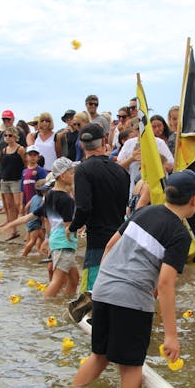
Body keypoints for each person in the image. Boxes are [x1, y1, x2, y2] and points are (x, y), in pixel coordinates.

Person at [72, 170, 195, 388]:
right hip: (131, 299)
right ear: (194, 199)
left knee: (99, 356)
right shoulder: (179, 234)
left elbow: (110, 245)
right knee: (131, 366)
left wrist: (101, 285)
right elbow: (165, 284)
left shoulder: (143, 212)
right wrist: (171, 336)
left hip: (103, 290)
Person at [67, 125, 130, 323]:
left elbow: (84, 208)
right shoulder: (121, 172)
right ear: (103, 142)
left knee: (91, 292)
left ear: (81, 145)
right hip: (119, 237)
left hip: (97, 240)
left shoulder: (83, 170)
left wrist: (73, 227)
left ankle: (94, 327)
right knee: (113, 285)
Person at [38, 157, 80, 298]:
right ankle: (46, 305)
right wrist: (82, 224)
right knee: (58, 280)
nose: (74, 175)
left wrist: (48, 239)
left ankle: (66, 302)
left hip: (56, 240)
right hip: (64, 242)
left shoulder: (50, 194)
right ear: (62, 176)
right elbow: (69, 226)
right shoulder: (66, 199)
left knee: (74, 279)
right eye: (71, 173)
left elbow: (47, 220)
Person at [0, 126, 26, 236]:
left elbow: (25, 163)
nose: (7, 137)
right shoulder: (4, 150)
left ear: (15, 136)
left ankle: (24, 225)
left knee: (18, 205)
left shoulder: (20, 149)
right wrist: (0, 174)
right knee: (9, 205)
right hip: (5, 180)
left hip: (16, 180)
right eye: (5, 135)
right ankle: (13, 230)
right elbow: (2, 164)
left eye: (10, 135)